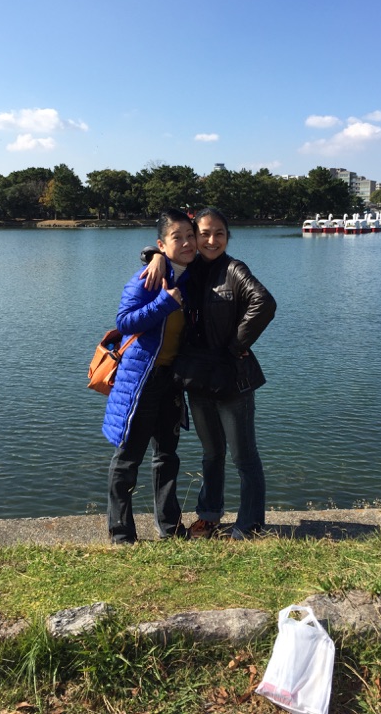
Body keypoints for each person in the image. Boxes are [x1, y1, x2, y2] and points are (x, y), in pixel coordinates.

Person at [143, 207, 276, 540]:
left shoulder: (234, 270)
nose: (211, 240)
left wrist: (236, 344)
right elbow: (166, 250)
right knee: (211, 453)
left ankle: (250, 524)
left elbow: (264, 302)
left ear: (228, 236)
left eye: (219, 233)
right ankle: (209, 515)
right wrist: (154, 256)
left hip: (232, 378)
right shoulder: (189, 269)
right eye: (204, 234)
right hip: (198, 378)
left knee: (244, 457)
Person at [103, 209, 197, 545]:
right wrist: (163, 302)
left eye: (190, 236)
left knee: (167, 457)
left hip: (171, 381)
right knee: (128, 459)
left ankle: (169, 527)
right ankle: (120, 534)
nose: (186, 243)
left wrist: (155, 256)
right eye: (177, 237)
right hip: (141, 381)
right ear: (162, 244)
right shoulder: (147, 279)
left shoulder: (191, 276)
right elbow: (125, 322)